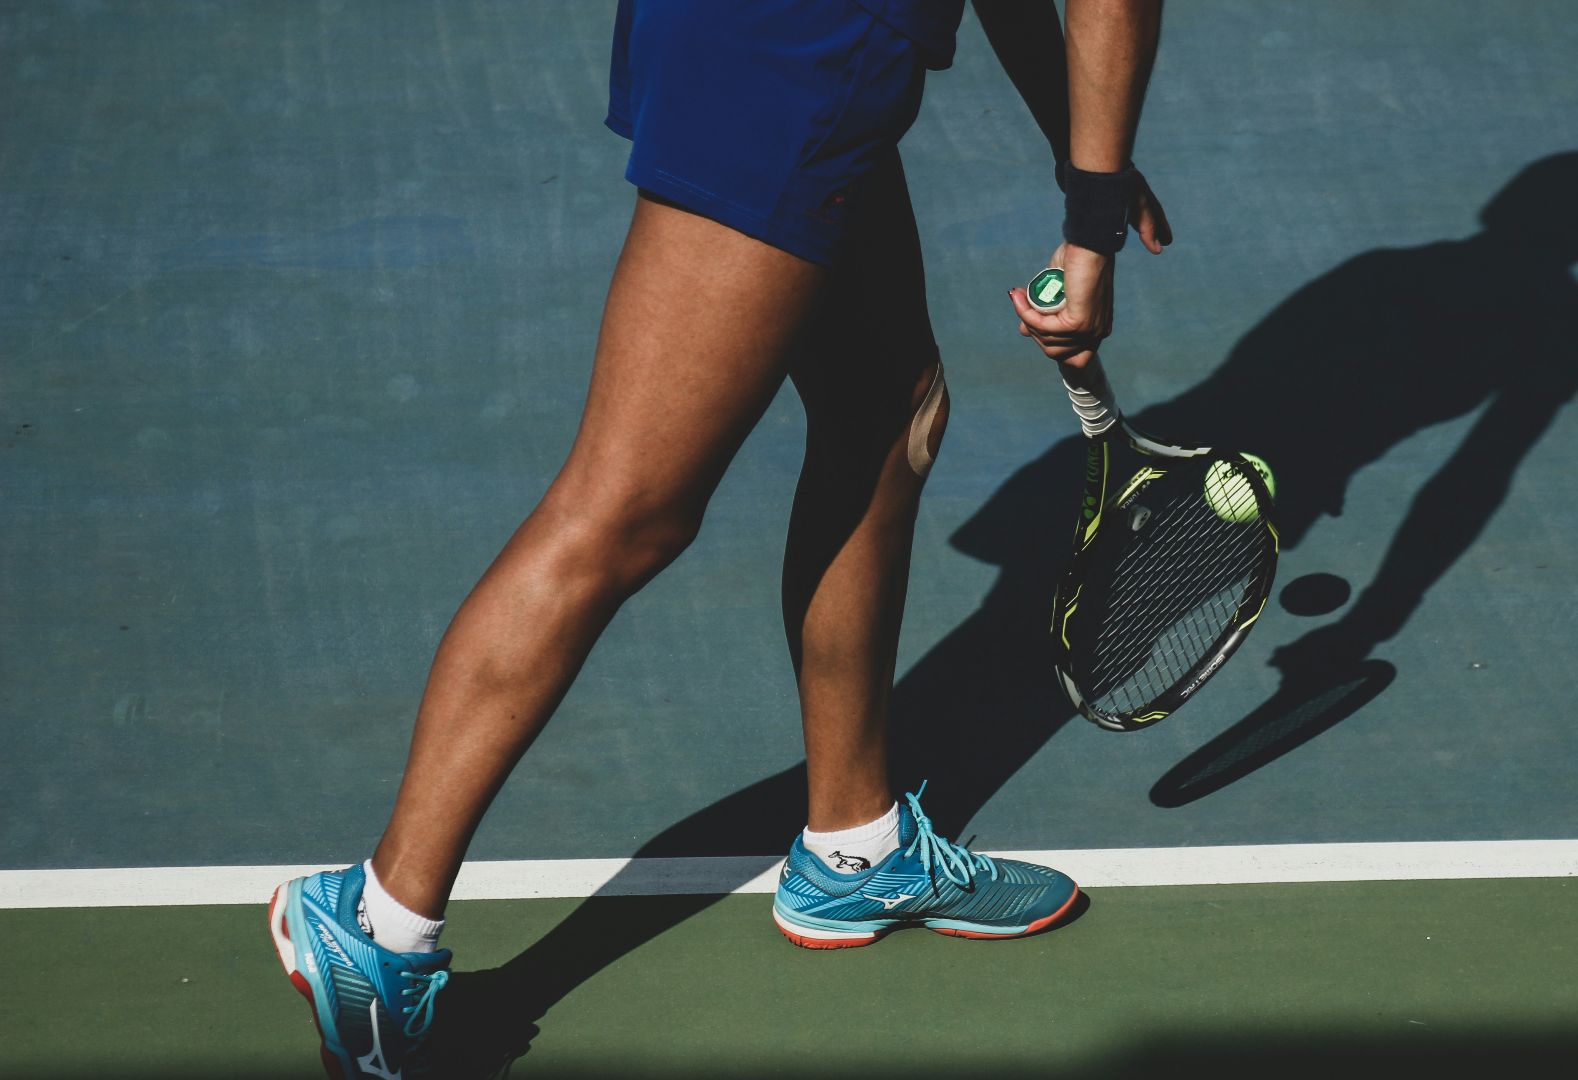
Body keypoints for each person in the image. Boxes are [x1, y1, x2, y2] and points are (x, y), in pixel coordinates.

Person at [268, 1, 1170, 1074]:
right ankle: (378, 923)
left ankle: (855, 845)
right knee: (626, 511)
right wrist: (1092, 215)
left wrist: (1086, 173)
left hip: (759, 34)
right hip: (799, 50)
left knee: (890, 411)